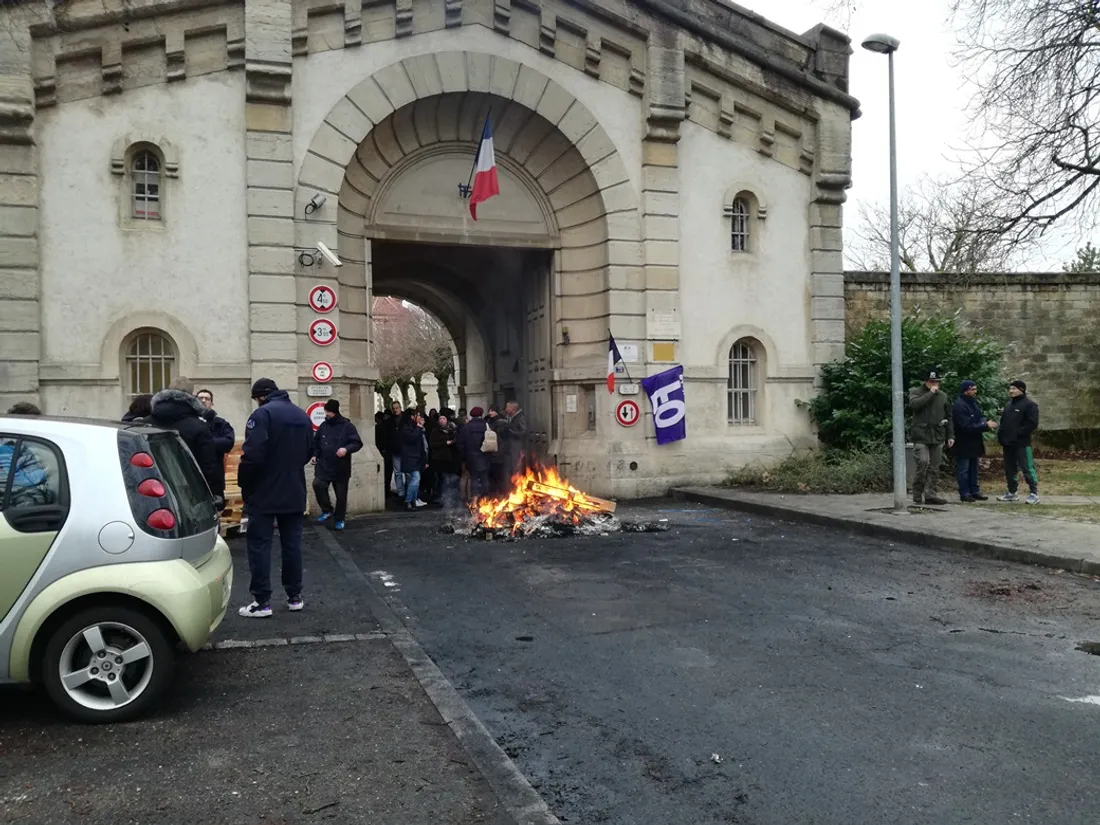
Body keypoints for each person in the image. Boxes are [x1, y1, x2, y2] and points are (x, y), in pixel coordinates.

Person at [237, 378, 314, 618]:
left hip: (264, 491)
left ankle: (262, 602)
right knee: (292, 545)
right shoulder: (302, 415)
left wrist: (245, 483)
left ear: (260, 396)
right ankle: (294, 596)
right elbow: (309, 451)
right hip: (294, 489)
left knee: (260, 546)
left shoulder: (262, 416)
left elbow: (253, 455)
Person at [147, 377, 224, 507]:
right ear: (192, 396)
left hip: (151, 490)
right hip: (191, 492)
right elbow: (209, 465)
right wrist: (217, 495)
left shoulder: (144, 424)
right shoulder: (198, 426)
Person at [312, 398, 362, 530]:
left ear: (334, 412)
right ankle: (327, 509)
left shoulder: (347, 426)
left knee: (341, 495)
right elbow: (316, 444)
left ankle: (339, 519)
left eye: (328, 411)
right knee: (318, 485)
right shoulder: (323, 426)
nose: (326, 414)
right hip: (324, 465)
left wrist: (346, 449)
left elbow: (357, 443)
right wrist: (315, 455)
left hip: (341, 467)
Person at [908, 369, 955, 506]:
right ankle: (917, 493)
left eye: (937, 382)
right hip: (921, 435)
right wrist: (930, 393)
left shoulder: (943, 396)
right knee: (923, 462)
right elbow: (915, 405)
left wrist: (950, 435)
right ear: (926, 382)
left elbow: (949, 416)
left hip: (938, 435)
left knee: (934, 466)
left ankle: (930, 494)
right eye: (932, 381)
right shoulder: (915, 392)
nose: (935, 384)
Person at [951, 380, 996, 502]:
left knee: (973, 468)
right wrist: (985, 426)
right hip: (964, 442)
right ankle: (965, 493)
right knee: (964, 469)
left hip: (974, 442)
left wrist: (983, 422)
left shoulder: (973, 403)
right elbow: (965, 426)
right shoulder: (959, 405)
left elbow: (980, 416)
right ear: (966, 390)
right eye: (973, 389)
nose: (975, 391)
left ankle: (974, 491)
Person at [997, 380, 1040, 504]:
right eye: (1010, 389)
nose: (1011, 391)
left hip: (1021, 444)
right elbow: (1003, 422)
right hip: (1007, 443)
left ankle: (1034, 493)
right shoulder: (1008, 405)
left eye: (1014, 389)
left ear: (1021, 390)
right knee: (1009, 469)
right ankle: (1012, 492)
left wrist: (1019, 434)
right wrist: (1001, 435)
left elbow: (1032, 423)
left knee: (1027, 468)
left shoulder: (1029, 405)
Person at [196, 387, 236, 498]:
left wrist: (206, 443)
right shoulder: (190, 422)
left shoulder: (220, 423)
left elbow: (228, 441)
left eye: (207, 399)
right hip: (193, 475)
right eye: (200, 398)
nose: (203, 401)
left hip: (215, 476)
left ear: (212, 403)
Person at [397, 409, 428, 510]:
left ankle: (413, 501)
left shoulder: (415, 427)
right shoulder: (406, 427)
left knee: (415, 481)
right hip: (409, 456)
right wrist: (419, 428)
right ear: (412, 416)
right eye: (417, 415)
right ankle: (408, 501)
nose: (419, 418)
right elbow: (412, 438)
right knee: (416, 479)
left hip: (416, 457)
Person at [458, 406, 491, 500]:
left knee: (474, 478)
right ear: (481, 414)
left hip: (471, 457)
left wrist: (463, 459)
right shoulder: (487, 426)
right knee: (485, 478)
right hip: (484, 456)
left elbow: (461, 444)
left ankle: (474, 500)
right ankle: (486, 499)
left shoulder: (466, 427)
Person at [429, 412, 460, 509]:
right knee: (443, 479)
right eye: (440, 419)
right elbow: (433, 444)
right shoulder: (435, 431)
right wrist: (445, 443)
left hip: (451, 458)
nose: (442, 420)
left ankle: (452, 499)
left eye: (444, 418)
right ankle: (443, 499)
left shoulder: (452, 430)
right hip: (440, 458)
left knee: (452, 479)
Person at [501, 400, 528, 480]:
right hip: (509, 447)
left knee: (516, 467)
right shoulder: (508, 417)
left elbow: (524, 432)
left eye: (507, 407)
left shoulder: (520, 417)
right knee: (509, 468)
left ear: (513, 409)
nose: (506, 409)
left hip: (517, 447)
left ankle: (517, 485)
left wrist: (510, 431)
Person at [486, 405, 507, 493]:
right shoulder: (489, 421)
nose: (490, 413)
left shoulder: (501, 422)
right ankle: (494, 494)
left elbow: (503, 437)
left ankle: (501, 493)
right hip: (491, 452)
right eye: (489, 411)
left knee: (499, 474)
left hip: (499, 451)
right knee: (492, 475)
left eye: (492, 411)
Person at [389, 400, 406, 501]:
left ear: (400, 408)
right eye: (394, 408)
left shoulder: (405, 419)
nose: (395, 410)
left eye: (397, 408)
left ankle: (408, 492)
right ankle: (401, 492)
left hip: (405, 449)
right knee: (398, 472)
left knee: (408, 472)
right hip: (395, 449)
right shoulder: (391, 420)